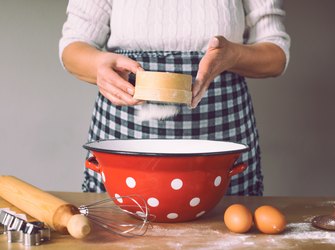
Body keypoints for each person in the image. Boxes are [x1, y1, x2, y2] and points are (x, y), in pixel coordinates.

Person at [59, 0, 290, 195]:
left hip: (221, 132)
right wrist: (99, 65)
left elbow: (275, 54)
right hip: (127, 131)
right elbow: (73, 45)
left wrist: (234, 55)